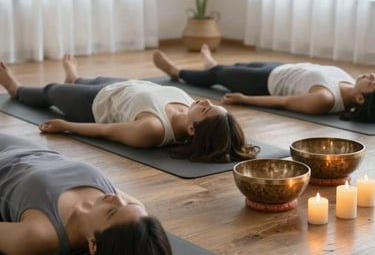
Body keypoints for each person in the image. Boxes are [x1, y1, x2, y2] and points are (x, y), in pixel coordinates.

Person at [0, 56, 257, 163]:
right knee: (83, 81)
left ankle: (16, 88)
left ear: (192, 128)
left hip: (94, 104)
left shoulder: (153, 130)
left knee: (51, 91)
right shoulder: (189, 108)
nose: (205, 102)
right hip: (122, 87)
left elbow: (107, 130)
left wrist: (65, 126)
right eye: (211, 104)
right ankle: (75, 79)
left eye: (206, 109)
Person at [0, 132, 172, 255]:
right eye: (129, 204)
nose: (117, 198)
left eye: (111, 212)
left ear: (93, 245)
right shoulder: (135, 213)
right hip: (26, 148)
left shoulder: (40, 236)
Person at [152, 44, 375, 123]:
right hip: (280, 68)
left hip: (265, 83)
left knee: (219, 74)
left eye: (373, 84)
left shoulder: (325, 99)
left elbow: (284, 101)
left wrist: (245, 99)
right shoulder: (348, 78)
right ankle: (212, 64)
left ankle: (176, 71)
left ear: (359, 98)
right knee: (239, 64)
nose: (372, 76)